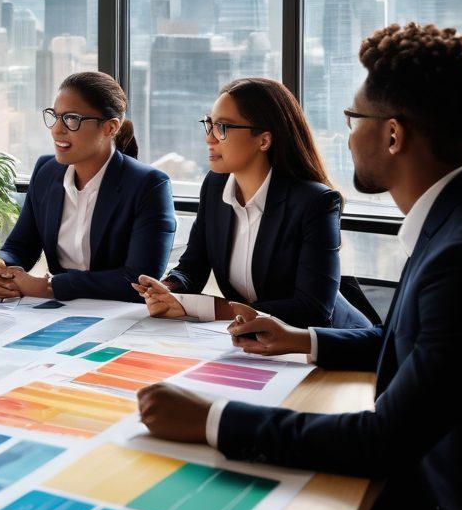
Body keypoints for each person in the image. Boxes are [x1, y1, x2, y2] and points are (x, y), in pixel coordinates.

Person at [137, 23, 462, 510]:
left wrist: (212, 420)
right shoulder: (455, 221)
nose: (347, 136)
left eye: (354, 119)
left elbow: (383, 441)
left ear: (393, 136)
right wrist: (303, 340)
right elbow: (406, 342)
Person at [133, 78, 370, 329]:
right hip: (260, 343)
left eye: (222, 127)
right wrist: (169, 288)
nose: (210, 138)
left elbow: (312, 309)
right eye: (210, 124)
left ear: (264, 140)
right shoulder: (215, 186)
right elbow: (193, 266)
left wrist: (205, 307)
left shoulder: (314, 202)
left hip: (332, 346)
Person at [0, 71, 175, 302]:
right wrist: (1, 269)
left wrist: (49, 287)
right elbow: (20, 245)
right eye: (55, 117)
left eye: (71, 119)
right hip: (55, 313)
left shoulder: (149, 185)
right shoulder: (46, 171)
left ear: (110, 127)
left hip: (117, 316)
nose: (57, 129)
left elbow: (139, 279)